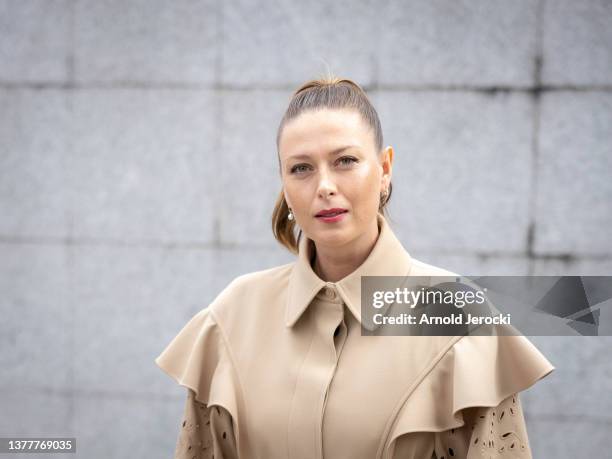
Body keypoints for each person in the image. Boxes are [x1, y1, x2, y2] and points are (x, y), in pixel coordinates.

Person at [155, 76, 555, 459]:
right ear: (284, 183)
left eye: (345, 160)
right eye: (301, 168)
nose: (324, 185)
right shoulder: (233, 313)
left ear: (385, 169)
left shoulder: (459, 316)